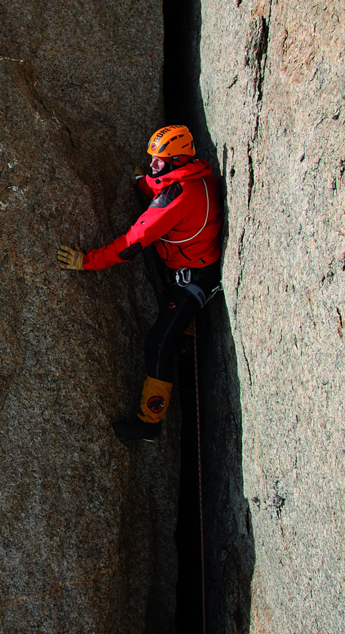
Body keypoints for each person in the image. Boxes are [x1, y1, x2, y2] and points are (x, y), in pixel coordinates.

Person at [56, 125, 222, 440]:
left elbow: (132, 243)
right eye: (152, 159)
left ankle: (149, 424)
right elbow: (162, 185)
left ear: (176, 159)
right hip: (191, 270)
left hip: (193, 281)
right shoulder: (197, 174)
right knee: (179, 336)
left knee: (159, 343)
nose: (153, 166)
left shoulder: (177, 200)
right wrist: (141, 184)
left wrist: (86, 261)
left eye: (159, 161)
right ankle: (187, 357)